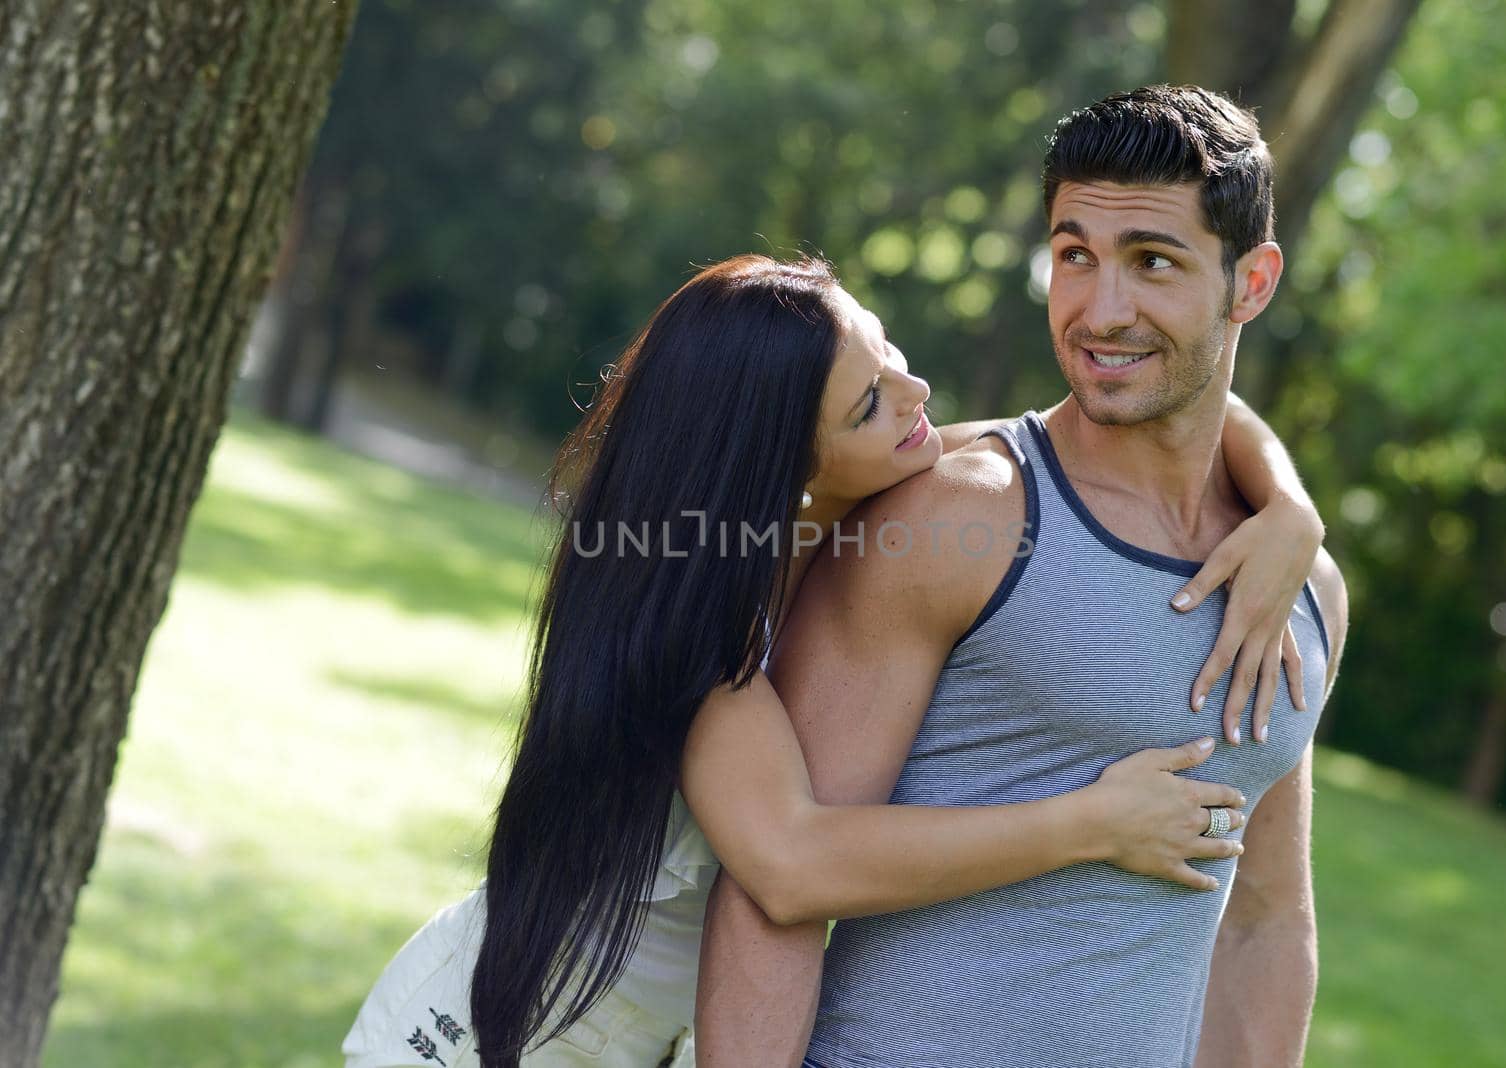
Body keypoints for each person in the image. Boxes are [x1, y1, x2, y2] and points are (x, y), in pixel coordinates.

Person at [342, 248, 1326, 1067]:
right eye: (869, 405)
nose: (916, 395)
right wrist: (1092, 823)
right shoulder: (693, 630)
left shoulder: (878, 488)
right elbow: (790, 861)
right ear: (783, 461)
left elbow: (1179, 409)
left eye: (888, 353)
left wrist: (1286, 507)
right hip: (490, 1035)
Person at [694, 85, 1350, 1068]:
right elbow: (774, 886)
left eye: (1153, 262)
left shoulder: (1302, 589)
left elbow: (1263, 924)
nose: (1101, 309)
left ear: (1250, 284)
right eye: (1075, 255)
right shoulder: (958, 514)